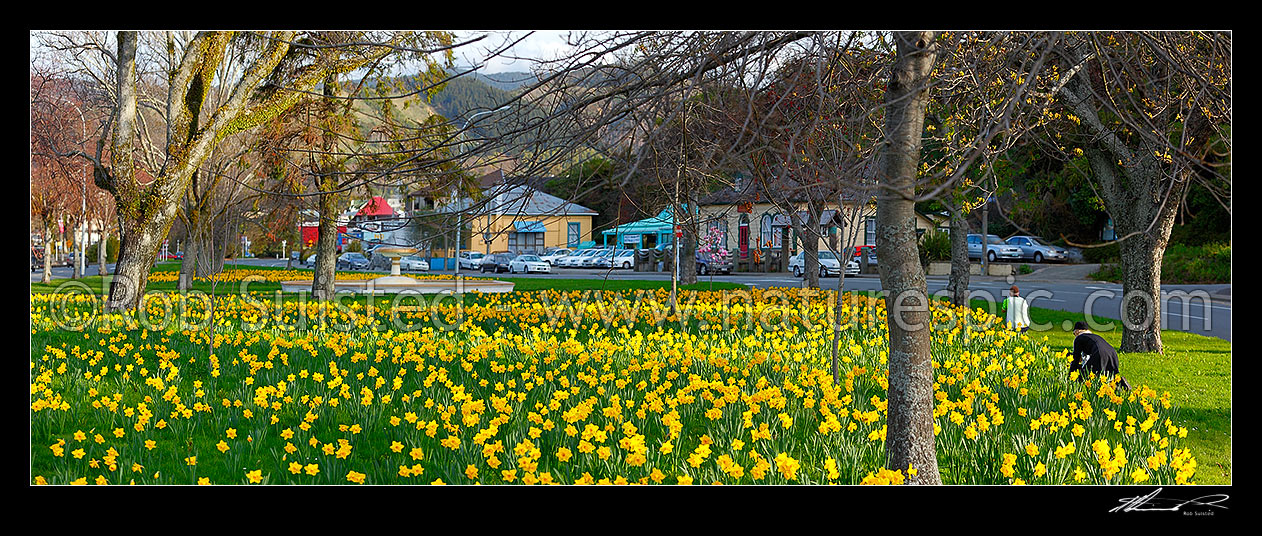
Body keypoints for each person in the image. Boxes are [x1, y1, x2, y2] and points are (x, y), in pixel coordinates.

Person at [1070, 321, 1131, 390]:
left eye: (1074, 333)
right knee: (1110, 374)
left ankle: (1076, 390)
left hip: (1099, 352)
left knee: (1085, 373)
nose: (1074, 335)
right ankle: (1122, 384)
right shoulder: (1093, 336)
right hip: (1112, 352)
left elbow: (1076, 359)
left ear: (1077, 331)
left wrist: (1071, 374)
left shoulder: (1079, 338)